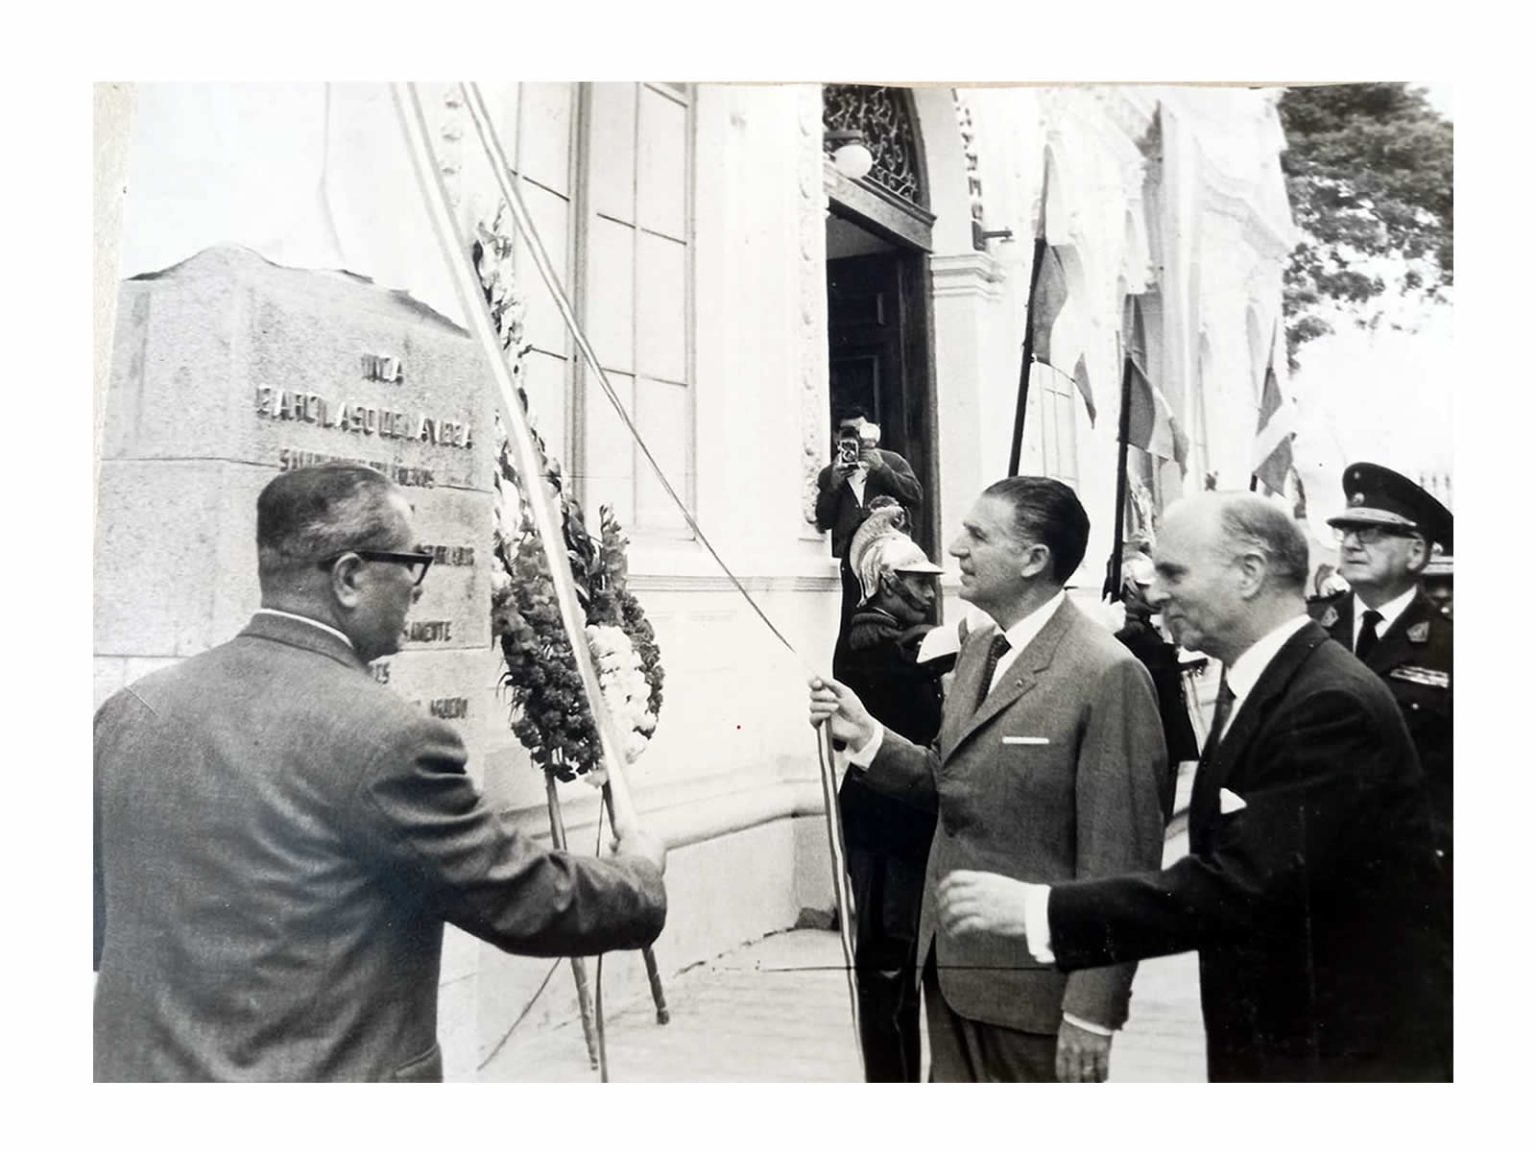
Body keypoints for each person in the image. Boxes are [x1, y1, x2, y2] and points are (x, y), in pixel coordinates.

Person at [94, 464, 669, 1081]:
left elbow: (96, 919)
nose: (419, 587)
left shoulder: (128, 712)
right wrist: (639, 873)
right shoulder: (389, 740)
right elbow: (524, 900)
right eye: (410, 563)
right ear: (349, 577)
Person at [936, 492, 1451, 1081]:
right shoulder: (1268, 684)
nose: (1155, 591)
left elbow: (1239, 886)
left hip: (1337, 1056)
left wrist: (1042, 909)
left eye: (1174, 572)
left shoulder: (1327, 702)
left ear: (1250, 573)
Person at [810, 477, 1168, 1083]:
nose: (954, 548)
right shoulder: (981, 652)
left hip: (1037, 1001)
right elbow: (952, 778)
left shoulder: (1107, 675)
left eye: (977, 535)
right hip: (951, 978)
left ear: (1034, 559)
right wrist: (868, 735)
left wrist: (1092, 1012)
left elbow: (1120, 865)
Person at [836, 513, 947, 1082]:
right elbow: (914, 653)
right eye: (919, 580)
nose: (931, 591)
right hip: (882, 825)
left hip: (912, 815)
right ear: (886, 581)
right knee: (886, 969)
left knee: (908, 965)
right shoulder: (868, 633)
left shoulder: (904, 634)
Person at [1312, 462, 1454, 877]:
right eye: (1347, 531)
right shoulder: (1307, 632)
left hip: (1410, 875)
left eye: (1371, 532)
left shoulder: (1454, 648)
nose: (1352, 544)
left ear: (1417, 551)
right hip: (1313, 873)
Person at [815, 413, 922, 678]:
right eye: (846, 432)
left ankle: (900, 675)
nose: (854, 437)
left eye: (860, 430)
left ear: (873, 432)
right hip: (852, 562)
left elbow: (915, 495)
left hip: (891, 559)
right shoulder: (832, 471)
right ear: (836, 437)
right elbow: (824, 519)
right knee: (853, 623)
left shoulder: (891, 460)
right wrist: (834, 486)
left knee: (895, 617)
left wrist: (882, 470)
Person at [1114, 556, 1199, 813]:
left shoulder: (1145, 629)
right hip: (1149, 739)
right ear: (1130, 586)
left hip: (1164, 737)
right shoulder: (1129, 632)